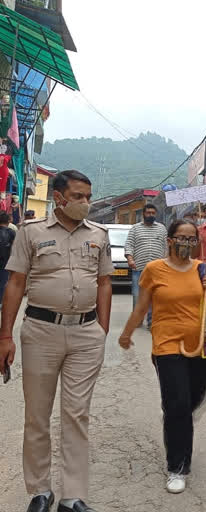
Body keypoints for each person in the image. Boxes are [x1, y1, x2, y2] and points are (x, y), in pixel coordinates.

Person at [0, 170, 113, 512]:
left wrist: (101, 331)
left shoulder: (99, 234)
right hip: (40, 332)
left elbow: (105, 282)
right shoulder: (31, 233)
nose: (85, 203)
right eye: (78, 196)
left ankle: (73, 496)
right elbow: (16, 283)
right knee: (37, 414)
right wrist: (5, 335)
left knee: (77, 414)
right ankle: (40, 491)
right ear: (59, 198)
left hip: (85, 334)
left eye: (88, 197)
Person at [118, 219, 206, 495]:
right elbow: (142, 307)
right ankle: (177, 467)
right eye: (181, 237)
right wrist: (126, 334)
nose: (186, 242)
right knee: (177, 407)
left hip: (199, 345)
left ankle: (178, 418)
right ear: (170, 240)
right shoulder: (154, 270)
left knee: (190, 402)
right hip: (167, 345)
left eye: (191, 238)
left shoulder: (202, 270)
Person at [125, 203, 167, 329]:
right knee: (138, 295)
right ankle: (137, 320)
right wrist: (130, 259)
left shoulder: (162, 228)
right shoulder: (135, 228)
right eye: (148, 213)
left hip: (157, 270)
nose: (150, 215)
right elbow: (129, 245)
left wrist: (165, 261)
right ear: (143, 214)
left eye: (153, 213)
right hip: (139, 268)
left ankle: (151, 322)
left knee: (155, 296)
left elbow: (166, 247)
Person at [0, 211, 15, 305]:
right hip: (5, 261)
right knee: (2, 281)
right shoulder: (11, 232)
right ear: (8, 221)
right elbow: (15, 248)